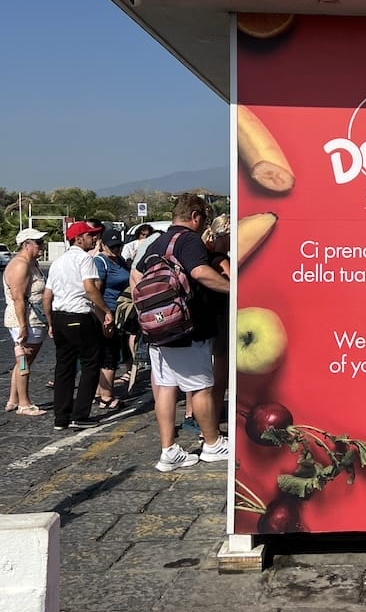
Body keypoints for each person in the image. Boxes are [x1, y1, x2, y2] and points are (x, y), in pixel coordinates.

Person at [131, 193, 230, 471]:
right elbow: (199, 272)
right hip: (185, 327)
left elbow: (136, 277)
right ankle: (212, 444)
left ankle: (169, 451)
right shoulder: (189, 240)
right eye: (203, 219)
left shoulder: (156, 241)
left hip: (157, 327)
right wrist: (236, 289)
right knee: (201, 386)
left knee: (165, 387)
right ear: (196, 217)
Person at [42, 221, 113, 430]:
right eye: (90, 235)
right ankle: (80, 415)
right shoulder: (84, 259)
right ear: (78, 239)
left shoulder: (58, 262)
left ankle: (60, 417)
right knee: (91, 364)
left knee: (64, 367)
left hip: (59, 316)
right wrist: (107, 311)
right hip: (80, 316)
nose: (94, 238)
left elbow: (47, 296)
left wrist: (50, 322)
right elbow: (90, 289)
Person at [3, 228, 50, 416]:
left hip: (34, 320)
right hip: (24, 321)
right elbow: (18, 299)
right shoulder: (20, 265)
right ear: (26, 245)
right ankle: (24, 403)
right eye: (38, 242)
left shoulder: (33, 264)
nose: (42, 246)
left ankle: (14, 399)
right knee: (23, 361)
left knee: (23, 360)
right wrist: (22, 326)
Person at [93, 227, 131, 410]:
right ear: (103, 245)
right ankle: (106, 396)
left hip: (120, 312)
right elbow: (95, 291)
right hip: (108, 312)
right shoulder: (101, 262)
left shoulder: (121, 260)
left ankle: (100, 391)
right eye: (113, 246)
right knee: (109, 354)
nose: (116, 249)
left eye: (119, 245)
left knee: (112, 352)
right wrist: (104, 315)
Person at [202, 213, 231, 428]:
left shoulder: (204, 257)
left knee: (208, 378)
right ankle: (210, 427)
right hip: (220, 319)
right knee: (218, 378)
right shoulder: (220, 260)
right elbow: (233, 283)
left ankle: (206, 424)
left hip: (209, 319)